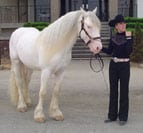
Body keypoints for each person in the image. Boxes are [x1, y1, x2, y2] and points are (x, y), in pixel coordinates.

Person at [102, 14, 133, 126]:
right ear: (116, 26)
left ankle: (123, 117)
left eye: (124, 23)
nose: (123, 25)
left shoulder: (129, 36)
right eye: (121, 23)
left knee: (124, 91)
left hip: (125, 66)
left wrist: (129, 38)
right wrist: (99, 48)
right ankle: (112, 116)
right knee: (113, 91)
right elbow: (110, 51)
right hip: (113, 66)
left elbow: (129, 51)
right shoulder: (113, 38)